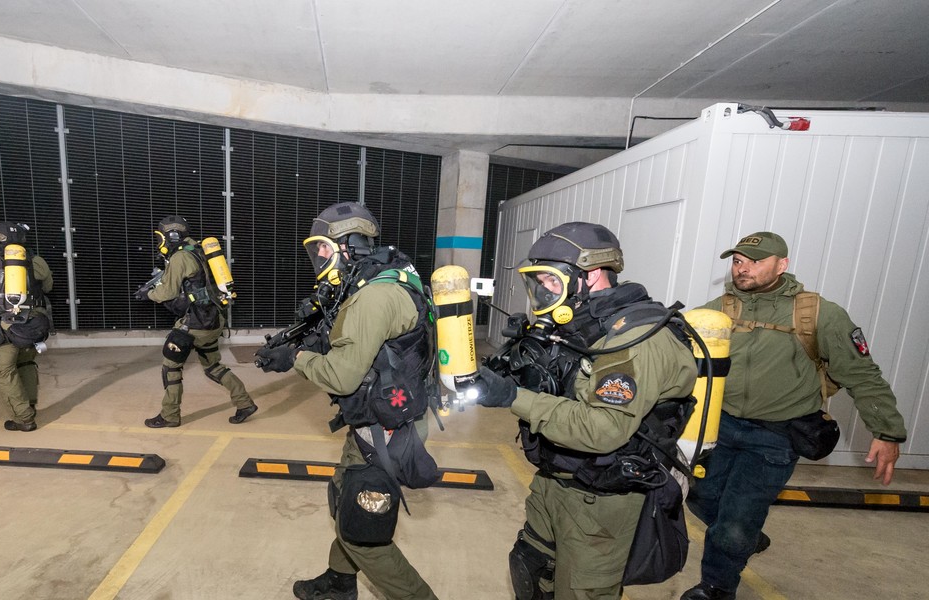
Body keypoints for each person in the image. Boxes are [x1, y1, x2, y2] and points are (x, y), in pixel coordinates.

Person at [474, 221, 698, 600]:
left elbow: (603, 429)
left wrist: (512, 397)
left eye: (549, 280)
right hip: (555, 477)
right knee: (532, 569)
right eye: (537, 281)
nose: (542, 292)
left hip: (602, 501)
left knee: (581, 592)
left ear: (589, 276)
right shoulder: (579, 323)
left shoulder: (635, 340)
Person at [682, 232, 907, 600]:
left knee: (733, 526)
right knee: (698, 496)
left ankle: (716, 588)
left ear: (782, 265)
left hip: (775, 436)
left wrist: (888, 432)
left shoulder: (819, 313)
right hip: (716, 427)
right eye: (738, 261)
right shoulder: (718, 308)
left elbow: (862, 374)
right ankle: (746, 536)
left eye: (755, 261)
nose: (743, 269)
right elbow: (680, 359)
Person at [255, 201, 438, 600]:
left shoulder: (373, 298)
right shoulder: (380, 279)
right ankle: (339, 582)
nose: (317, 256)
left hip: (386, 431)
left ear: (349, 245)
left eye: (323, 247)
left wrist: (297, 359)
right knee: (345, 498)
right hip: (382, 418)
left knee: (363, 534)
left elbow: (341, 374)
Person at [137, 215, 257, 428]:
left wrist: (148, 294)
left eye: (160, 238)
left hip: (196, 324)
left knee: (171, 367)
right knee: (213, 367)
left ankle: (170, 415)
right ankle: (244, 403)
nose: (159, 242)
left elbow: (167, 291)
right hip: (214, 319)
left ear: (170, 237)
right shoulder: (199, 249)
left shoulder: (179, 258)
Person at [0, 221, 54, 432]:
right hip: (33, 325)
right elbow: (48, 287)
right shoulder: (38, 261)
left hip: (1, 326)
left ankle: (24, 419)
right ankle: (30, 405)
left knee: (3, 371)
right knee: (25, 364)